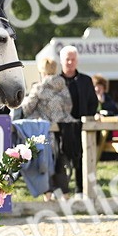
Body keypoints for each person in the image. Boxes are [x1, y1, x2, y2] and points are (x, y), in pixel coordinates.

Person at [15, 57, 72, 197]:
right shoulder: (63, 87)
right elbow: (69, 107)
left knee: (46, 163)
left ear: (42, 71)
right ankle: (64, 195)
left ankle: (48, 196)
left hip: (44, 132)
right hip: (62, 131)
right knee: (60, 163)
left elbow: (27, 108)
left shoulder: (39, 87)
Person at [56, 45, 98, 195]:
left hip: (81, 126)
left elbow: (93, 102)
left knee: (81, 158)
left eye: (73, 59)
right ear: (62, 61)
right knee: (60, 159)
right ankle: (62, 192)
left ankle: (81, 190)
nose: (70, 62)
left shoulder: (85, 80)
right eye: (67, 59)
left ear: (77, 61)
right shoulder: (55, 81)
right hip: (61, 127)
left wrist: (87, 118)